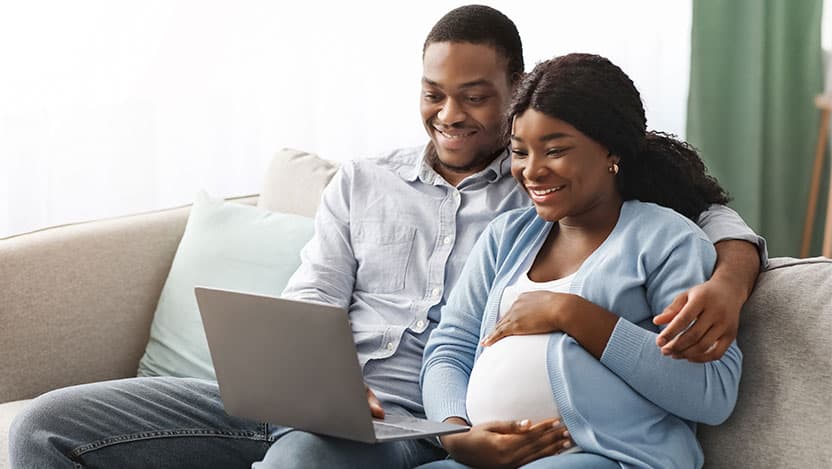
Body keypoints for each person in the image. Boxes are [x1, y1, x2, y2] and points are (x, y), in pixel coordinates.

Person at [9, 6, 764, 469]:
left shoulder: (543, 191)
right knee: (47, 427)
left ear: (515, 93)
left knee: (305, 458)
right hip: (316, 400)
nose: (451, 115)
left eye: (476, 98)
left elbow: (699, 212)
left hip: (411, 431)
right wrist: (310, 377)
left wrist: (732, 274)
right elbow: (311, 299)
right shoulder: (363, 183)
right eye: (434, 94)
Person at [419, 53, 744, 469]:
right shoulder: (506, 237)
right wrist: (456, 436)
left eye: (554, 151)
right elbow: (450, 349)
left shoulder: (665, 240)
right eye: (520, 152)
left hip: (614, 457)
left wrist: (573, 314)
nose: (532, 171)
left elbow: (711, 392)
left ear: (611, 151)